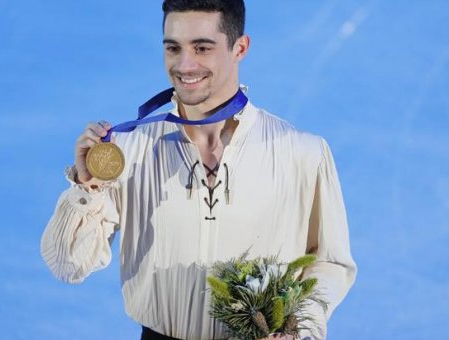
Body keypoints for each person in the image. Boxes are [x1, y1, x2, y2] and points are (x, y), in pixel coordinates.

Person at [40, 0, 357, 339]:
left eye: (202, 48)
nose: (184, 65)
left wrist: (299, 330)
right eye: (173, 48)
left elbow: (329, 263)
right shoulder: (128, 148)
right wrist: (87, 186)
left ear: (240, 48)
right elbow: (67, 264)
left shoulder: (302, 153)